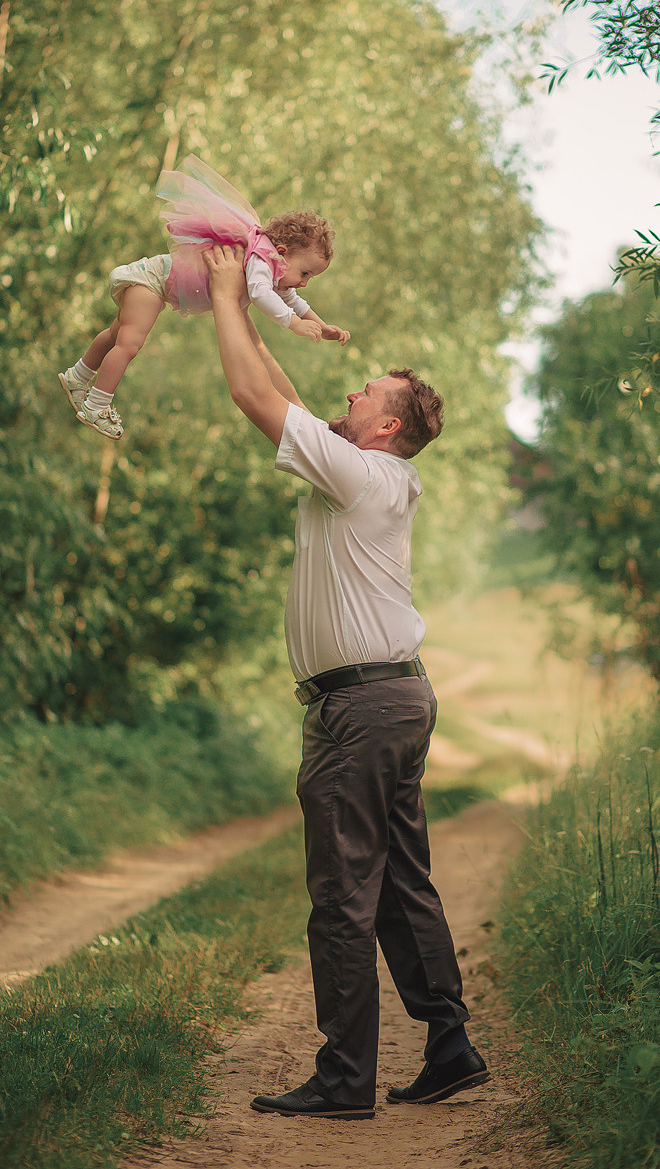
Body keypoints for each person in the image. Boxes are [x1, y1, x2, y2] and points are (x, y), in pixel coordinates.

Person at [201, 244, 490, 1121]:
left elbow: (255, 400)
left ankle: (342, 1080)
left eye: (366, 392)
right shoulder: (371, 469)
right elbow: (284, 392)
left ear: (388, 426)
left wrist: (219, 292)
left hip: (359, 710)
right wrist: (249, 310)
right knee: (401, 882)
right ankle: (449, 1047)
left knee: (343, 895)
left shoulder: (358, 474)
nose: (351, 393)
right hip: (394, 698)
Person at [59, 155, 350, 440]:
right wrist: (293, 324)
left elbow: (294, 300)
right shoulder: (261, 260)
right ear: (284, 252)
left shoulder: (276, 269)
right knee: (128, 344)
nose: (304, 283)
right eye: (305, 273)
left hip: (153, 284)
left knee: (114, 335)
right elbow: (261, 295)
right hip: (151, 281)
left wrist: (321, 325)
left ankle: (77, 377)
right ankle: (96, 405)